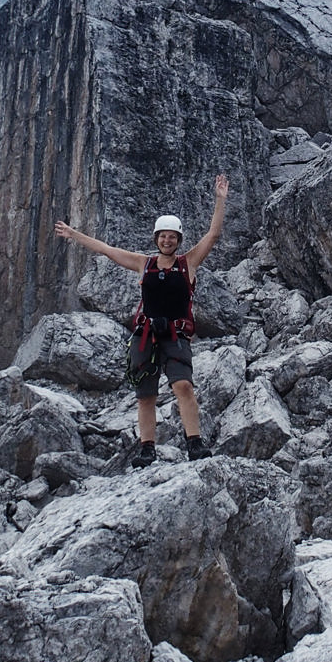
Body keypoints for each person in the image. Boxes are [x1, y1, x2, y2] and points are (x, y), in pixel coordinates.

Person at [54, 174, 229, 466]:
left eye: (172, 237)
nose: (167, 240)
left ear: (179, 240)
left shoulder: (189, 263)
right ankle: (147, 449)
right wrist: (75, 235)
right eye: (162, 236)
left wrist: (220, 200)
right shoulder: (143, 263)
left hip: (175, 336)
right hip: (145, 335)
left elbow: (213, 235)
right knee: (145, 395)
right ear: (156, 238)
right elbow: (106, 249)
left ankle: (194, 444)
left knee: (183, 385)